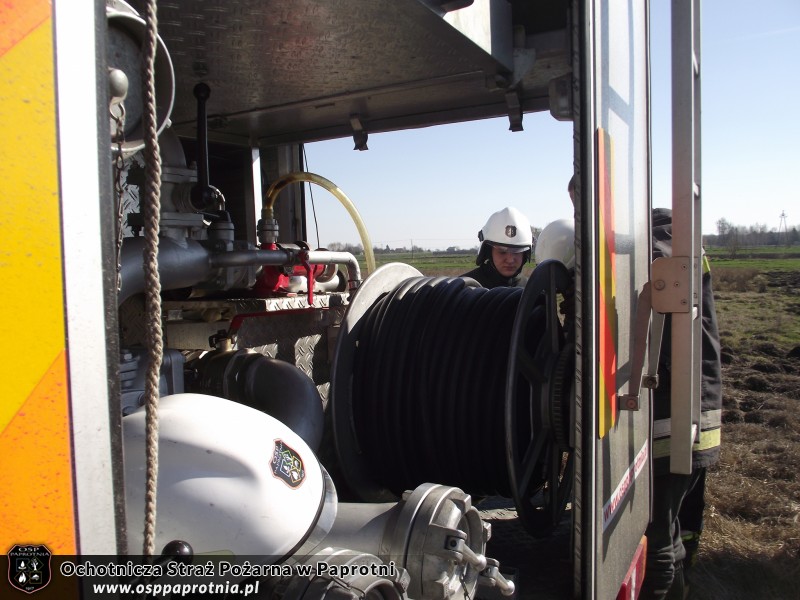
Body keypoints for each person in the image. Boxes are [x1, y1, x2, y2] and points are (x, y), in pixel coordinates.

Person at [641, 207, 723, 600]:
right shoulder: (682, 242)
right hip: (693, 412)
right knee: (672, 527)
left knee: (655, 533)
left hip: (671, 420)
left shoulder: (656, 248)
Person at [461, 206, 533, 288]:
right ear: (488, 252)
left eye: (517, 252)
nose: (510, 260)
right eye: (502, 252)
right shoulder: (462, 289)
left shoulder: (533, 289)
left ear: (525, 254)